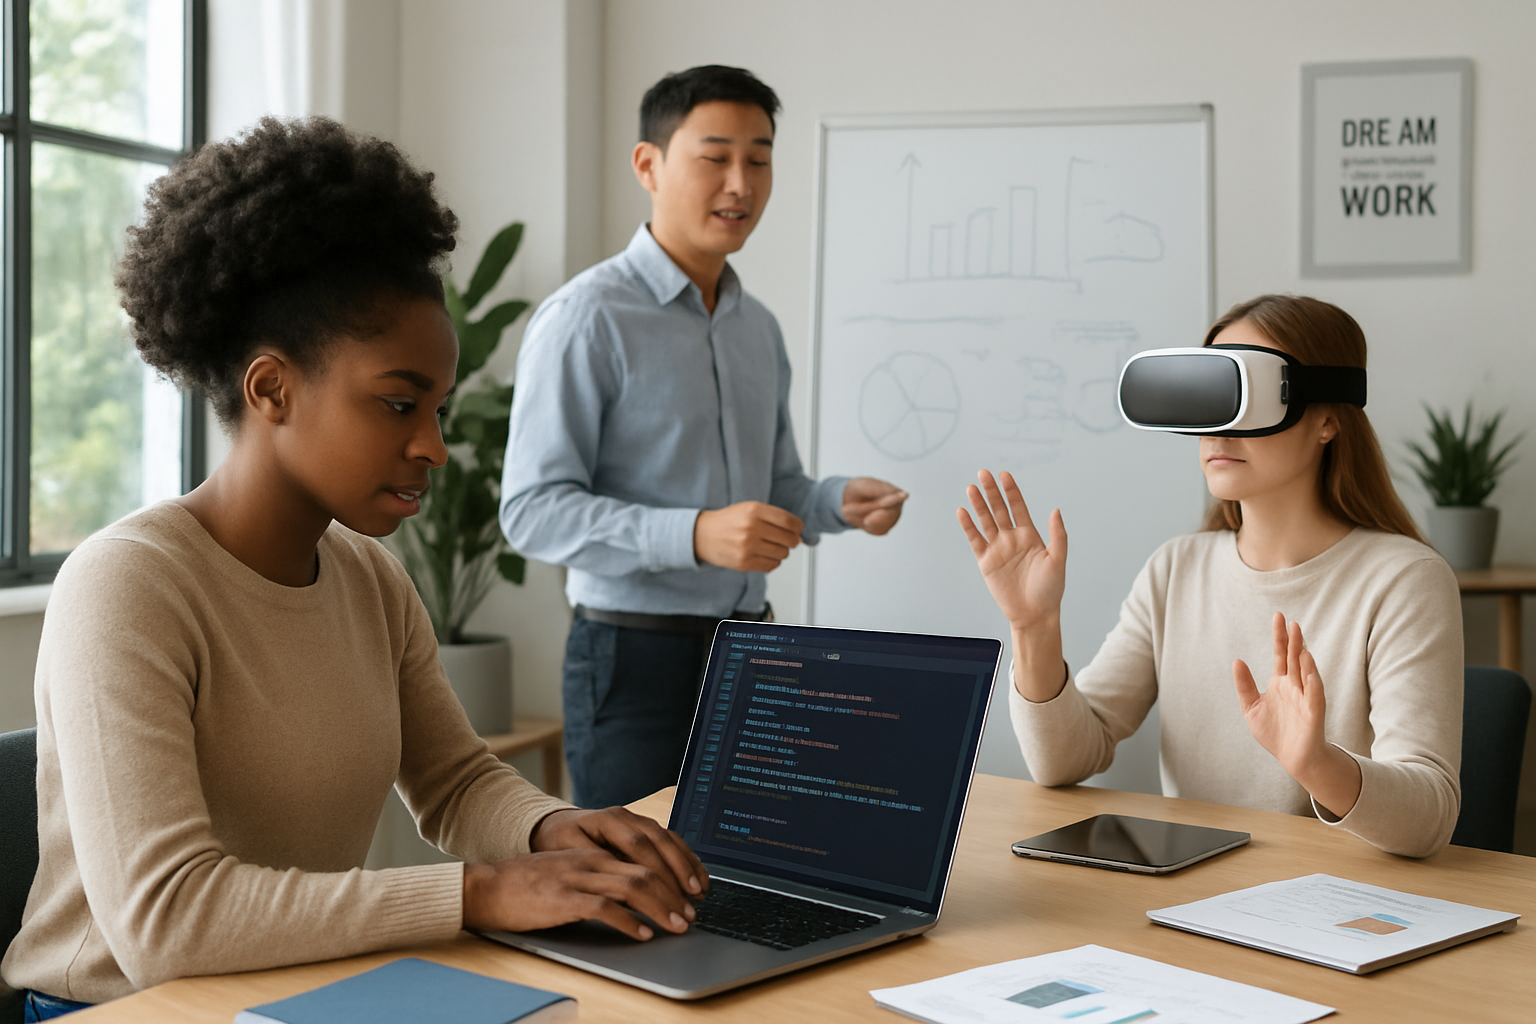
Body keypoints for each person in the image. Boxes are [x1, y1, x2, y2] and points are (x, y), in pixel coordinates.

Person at [2, 117, 709, 1020]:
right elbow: (165, 922)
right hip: (119, 1008)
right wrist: (479, 894)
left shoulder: (369, 579)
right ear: (271, 390)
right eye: (398, 403)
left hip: (296, 994)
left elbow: (454, 781)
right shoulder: (128, 586)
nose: (434, 447)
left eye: (438, 407)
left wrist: (550, 829)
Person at [500, 65, 907, 810]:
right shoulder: (587, 318)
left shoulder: (758, 329)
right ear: (648, 165)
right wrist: (693, 536)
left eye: (759, 158)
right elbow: (532, 510)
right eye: (715, 156)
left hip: (753, 651)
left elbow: (775, 487)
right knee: (633, 890)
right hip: (632, 657)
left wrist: (832, 502)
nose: (740, 184)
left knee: (761, 875)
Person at [958, 294, 1462, 859]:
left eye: (1246, 398)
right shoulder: (1176, 569)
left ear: (1326, 419)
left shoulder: (1404, 580)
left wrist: (1316, 763)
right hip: (1194, 895)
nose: (1218, 427)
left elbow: (1429, 819)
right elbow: (1065, 760)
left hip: (1337, 909)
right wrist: (1034, 626)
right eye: (1210, 398)